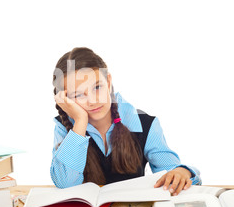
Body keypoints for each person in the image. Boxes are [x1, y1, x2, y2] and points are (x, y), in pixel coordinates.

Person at [51, 47, 201, 195]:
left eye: (97, 87)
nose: (92, 101)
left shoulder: (144, 124)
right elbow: (66, 183)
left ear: (108, 82)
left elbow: (171, 172)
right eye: (78, 95)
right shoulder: (67, 127)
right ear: (65, 99)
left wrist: (182, 171)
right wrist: (80, 122)